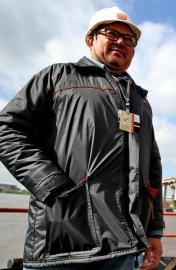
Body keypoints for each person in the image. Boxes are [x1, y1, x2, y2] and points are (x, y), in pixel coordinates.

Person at [0, 6, 164, 270]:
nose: (121, 41)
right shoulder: (58, 77)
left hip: (125, 250)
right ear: (91, 39)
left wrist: (154, 232)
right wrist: (50, 183)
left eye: (129, 39)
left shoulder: (141, 102)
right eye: (111, 33)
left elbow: (152, 171)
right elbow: (6, 128)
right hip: (61, 247)